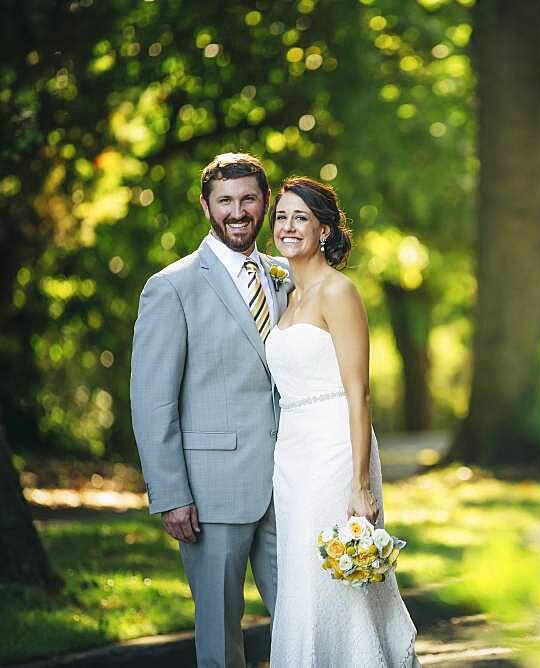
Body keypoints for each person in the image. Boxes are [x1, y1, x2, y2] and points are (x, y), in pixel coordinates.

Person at [130, 152, 292, 667]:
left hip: (290, 485)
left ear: (265, 203)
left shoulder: (285, 276)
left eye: (248, 199)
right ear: (206, 206)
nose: (237, 211)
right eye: (225, 201)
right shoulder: (172, 286)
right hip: (211, 492)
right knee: (221, 639)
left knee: (302, 621)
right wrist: (171, 493)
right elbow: (153, 401)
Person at [266, 176, 419, 666]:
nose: (288, 226)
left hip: (334, 447)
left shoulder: (338, 292)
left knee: (331, 578)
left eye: (300, 217)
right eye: (281, 217)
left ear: (325, 230)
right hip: (291, 450)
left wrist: (359, 484)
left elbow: (359, 392)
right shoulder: (286, 297)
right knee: (300, 576)